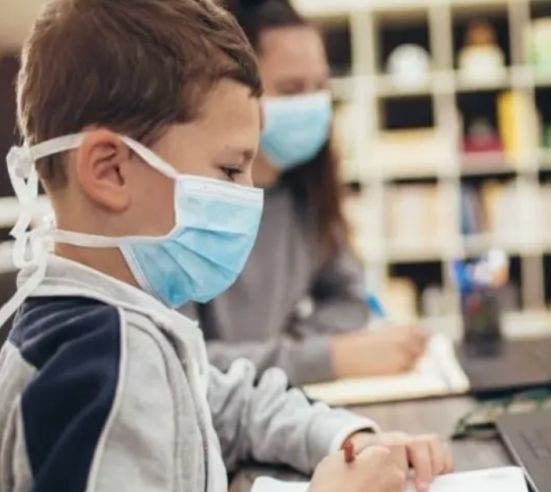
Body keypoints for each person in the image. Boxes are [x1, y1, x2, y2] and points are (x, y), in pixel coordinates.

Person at [0, 2, 450, 491]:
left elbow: (229, 406)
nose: (247, 195)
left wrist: (347, 436)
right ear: (109, 170)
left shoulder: (129, 322)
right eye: (231, 170)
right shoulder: (102, 361)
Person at [183, 0, 427, 385]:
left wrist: (295, 351)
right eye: (291, 89)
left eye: (320, 87)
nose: (312, 104)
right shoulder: (183, 206)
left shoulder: (307, 192)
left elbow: (349, 302)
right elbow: (183, 365)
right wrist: (329, 357)